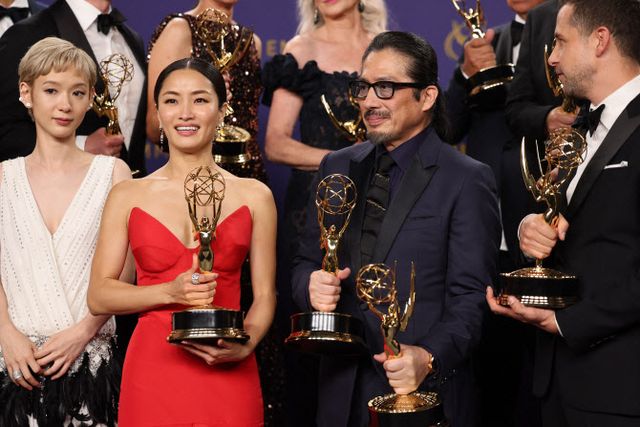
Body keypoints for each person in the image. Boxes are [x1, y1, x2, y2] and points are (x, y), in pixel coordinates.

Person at [291, 31, 500, 427]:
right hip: (339, 394)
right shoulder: (337, 165)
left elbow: (471, 299)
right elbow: (305, 261)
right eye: (363, 87)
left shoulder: (466, 179)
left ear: (427, 97)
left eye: (385, 88)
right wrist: (310, 286)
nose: (369, 101)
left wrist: (428, 356)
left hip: (419, 397)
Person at [87, 57, 276, 427]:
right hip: (153, 370)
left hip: (229, 369)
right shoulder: (128, 194)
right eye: (172, 100)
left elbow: (266, 295)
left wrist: (247, 343)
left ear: (222, 111)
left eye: (200, 99)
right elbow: (99, 296)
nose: (185, 112)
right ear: (158, 113)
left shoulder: (256, 195)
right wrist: (170, 291)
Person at [488, 0, 640, 425]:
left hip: (621, 391)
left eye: (559, 42)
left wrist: (566, 323)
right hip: (555, 383)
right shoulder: (581, 128)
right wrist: (529, 228)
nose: (551, 58)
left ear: (600, 41)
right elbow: (566, 222)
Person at [262, 2, 386, 422]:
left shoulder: (384, 49)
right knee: (310, 325)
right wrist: (345, 162)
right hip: (313, 210)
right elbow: (277, 143)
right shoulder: (301, 50)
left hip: (378, 201)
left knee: (371, 314)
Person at [0, 37, 132, 427]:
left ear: (91, 99)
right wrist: (6, 333)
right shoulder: (3, 177)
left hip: (91, 366)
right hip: (14, 366)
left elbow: (125, 274)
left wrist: (83, 332)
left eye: (77, 92)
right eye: (51, 91)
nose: (65, 105)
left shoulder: (113, 174)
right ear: (26, 93)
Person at [445, 1, 546, 425]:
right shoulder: (487, 41)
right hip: (487, 234)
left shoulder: (575, 39)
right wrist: (465, 74)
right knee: (488, 377)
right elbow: (447, 129)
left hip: (545, 231)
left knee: (543, 381)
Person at [0, 0, 148, 176]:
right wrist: (80, 146)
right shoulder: (26, 33)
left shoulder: (132, 38)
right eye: (51, 91)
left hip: (132, 185)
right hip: (60, 185)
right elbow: (5, 129)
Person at [147, 0, 267, 183]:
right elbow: (155, 126)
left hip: (249, 173)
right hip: (194, 178)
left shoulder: (251, 41)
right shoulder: (179, 29)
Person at [505, 0, 571, 143]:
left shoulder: (618, 9)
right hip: (555, 149)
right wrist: (547, 118)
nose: (552, 59)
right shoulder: (539, 17)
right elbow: (516, 107)